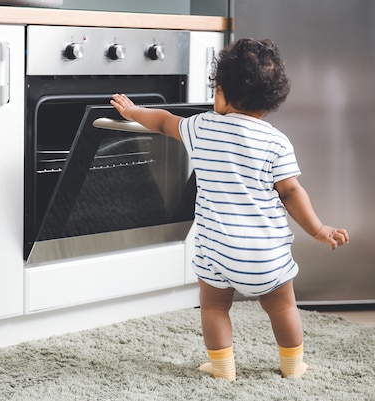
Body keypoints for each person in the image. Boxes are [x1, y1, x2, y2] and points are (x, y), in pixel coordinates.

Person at [110, 38, 349, 381]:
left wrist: (133, 112)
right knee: (282, 306)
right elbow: (291, 192)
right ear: (271, 101)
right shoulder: (276, 142)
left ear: (219, 93)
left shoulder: (201, 127)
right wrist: (318, 229)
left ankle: (223, 368)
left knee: (214, 306)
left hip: (218, 251)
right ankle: (292, 366)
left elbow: (163, 121)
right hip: (266, 253)